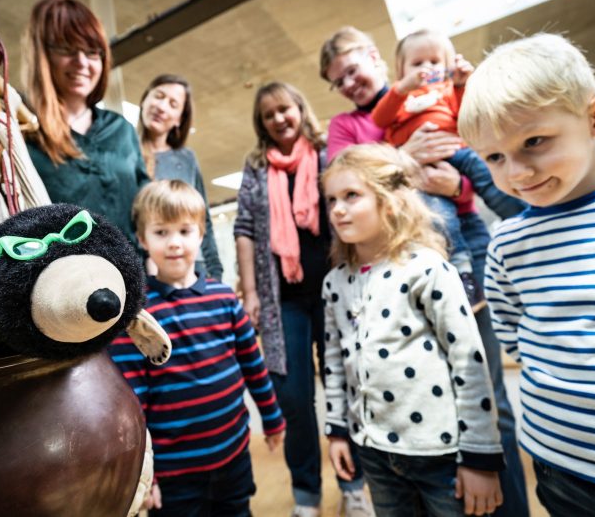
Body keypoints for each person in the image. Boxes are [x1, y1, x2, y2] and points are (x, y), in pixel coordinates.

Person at [320, 26, 529, 517]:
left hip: (455, 244)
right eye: (338, 80)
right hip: (384, 263)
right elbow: (350, 175)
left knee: (488, 397)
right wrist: (404, 162)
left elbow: (472, 154)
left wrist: (458, 181)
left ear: (375, 57)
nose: (348, 83)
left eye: (352, 70)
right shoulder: (355, 124)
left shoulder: (433, 93)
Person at [458, 33, 595, 515]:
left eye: (534, 142)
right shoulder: (508, 242)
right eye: (494, 157)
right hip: (559, 468)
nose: (517, 173)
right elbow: (513, 336)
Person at [321, 143, 505, 517]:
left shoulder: (427, 269)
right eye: (331, 200)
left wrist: (480, 458)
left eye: (351, 195)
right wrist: (337, 430)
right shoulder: (334, 283)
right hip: (374, 453)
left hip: (441, 454)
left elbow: (468, 363)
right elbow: (334, 364)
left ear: (390, 200)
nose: (337, 209)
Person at [234, 82, 373, 517]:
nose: (279, 118)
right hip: (283, 302)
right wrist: (251, 291)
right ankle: (306, 494)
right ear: (262, 123)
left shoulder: (328, 153)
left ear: (300, 109)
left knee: (347, 389)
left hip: (337, 293)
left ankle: (354, 486)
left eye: (285, 109)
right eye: (269, 114)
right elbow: (244, 228)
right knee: (293, 397)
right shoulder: (256, 167)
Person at [109, 179, 286, 516]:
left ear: (201, 235)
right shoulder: (139, 318)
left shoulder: (225, 300)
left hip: (233, 457)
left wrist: (273, 417)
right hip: (174, 475)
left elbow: (253, 366)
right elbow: (133, 403)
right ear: (143, 240)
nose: (175, 243)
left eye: (185, 231)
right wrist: (144, 475)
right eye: (162, 233)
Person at [370, 29, 526, 288]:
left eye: (434, 62)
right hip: (421, 167)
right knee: (438, 214)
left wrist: (462, 84)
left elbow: (469, 114)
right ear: (401, 70)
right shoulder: (400, 98)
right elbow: (379, 118)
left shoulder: (447, 90)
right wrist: (401, 89)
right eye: (417, 63)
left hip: (457, 151)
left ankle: (520, 215)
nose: (426, 68)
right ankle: (461, 267)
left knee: (486, 174)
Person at [22, 0, 149, 254]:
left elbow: (147, 207)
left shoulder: (122, 130)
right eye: (67, 49)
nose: (81, 62)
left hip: (135, 279)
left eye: (92, 52)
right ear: (43, 55)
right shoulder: (23, 133)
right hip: (65, 283)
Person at [138, 74, 223, 280]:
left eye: (173, 104)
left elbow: (204, 219)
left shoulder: (186, 158)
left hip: (193, 265)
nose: (162, 106)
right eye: (158, 96)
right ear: (144, 100)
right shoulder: (124, 153)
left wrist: (216, 273)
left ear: (179, 119)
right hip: (143, 269)